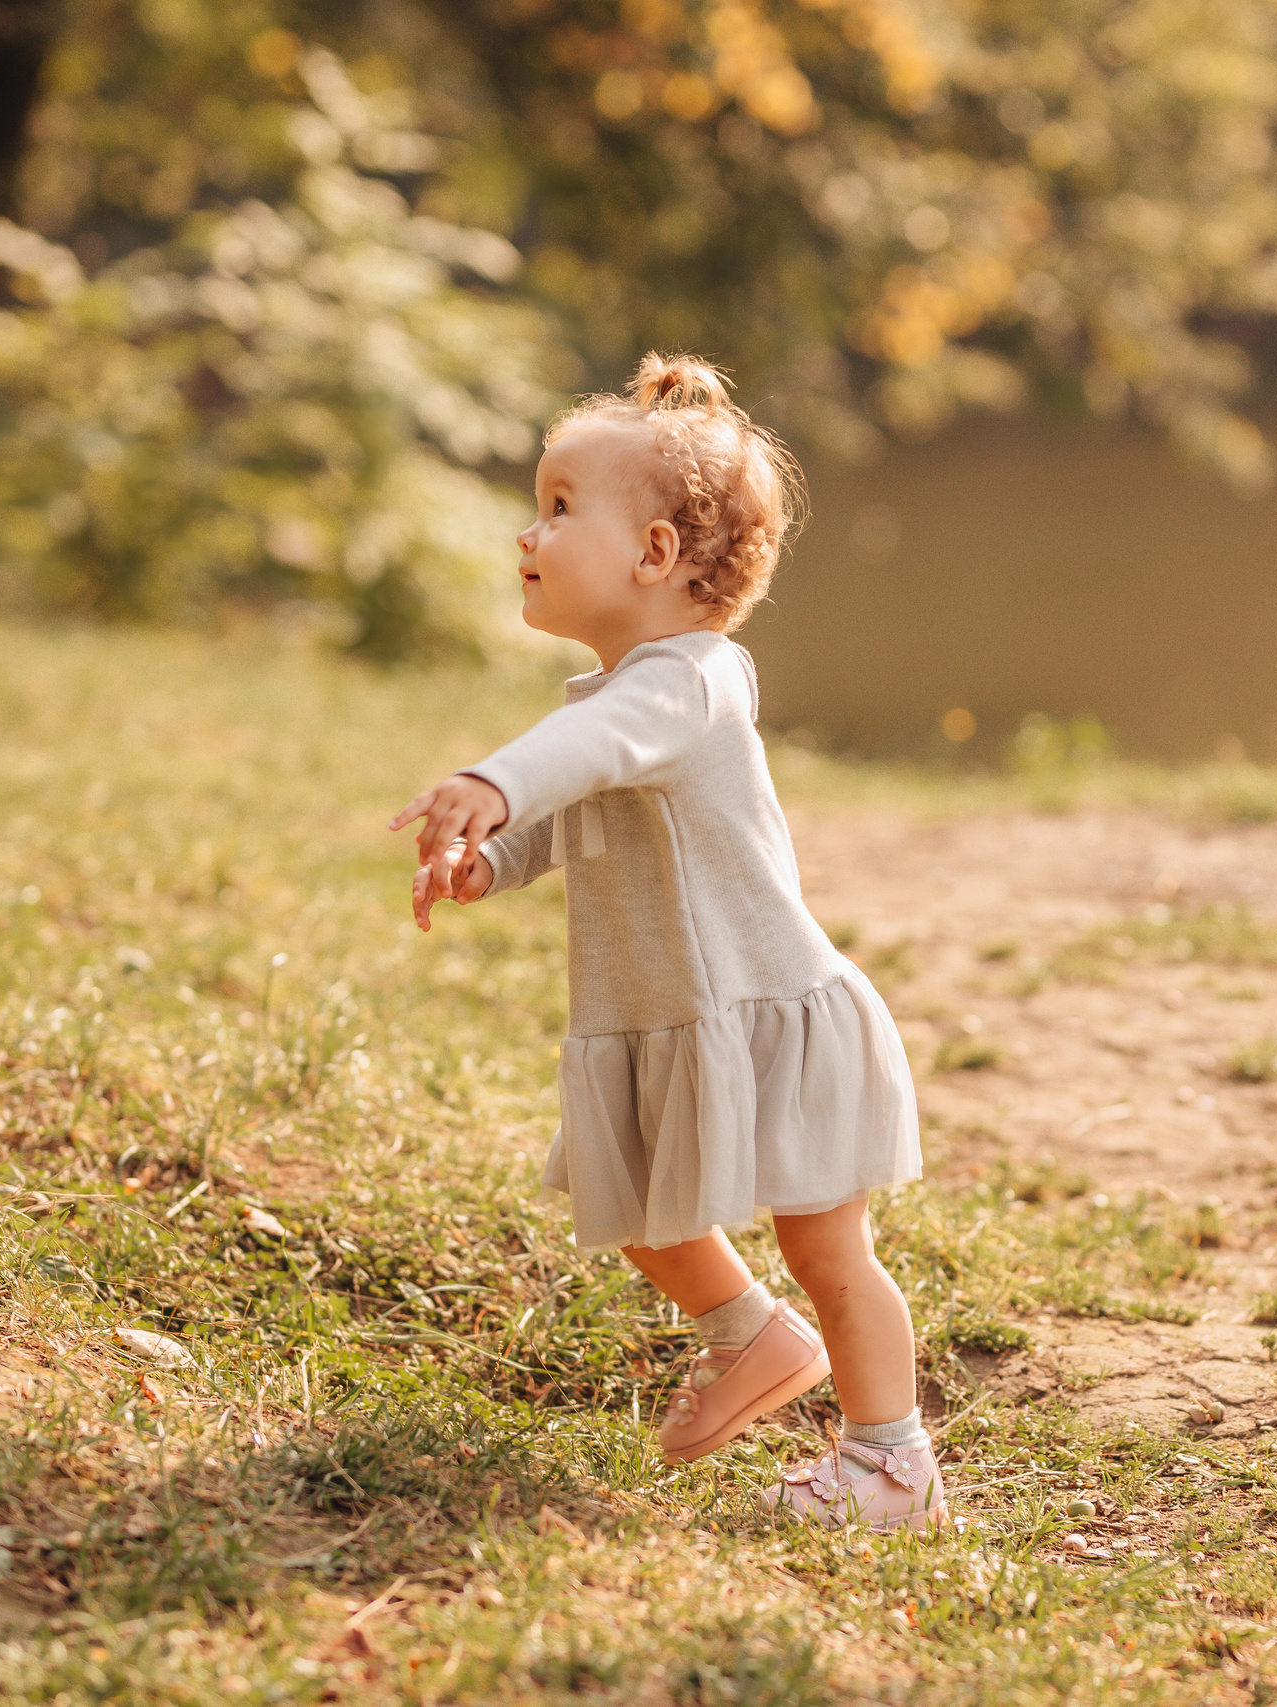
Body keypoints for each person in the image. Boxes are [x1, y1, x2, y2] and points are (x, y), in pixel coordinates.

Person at [388, 354, 943, 1532]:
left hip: (767, 1010)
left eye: (556, 506)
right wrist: (493, 855)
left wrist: (493, 778)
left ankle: (890, 1464)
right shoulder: (605, 705)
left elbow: (579, 763)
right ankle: (752, 1339)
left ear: (651, 555)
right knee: (633, 1200)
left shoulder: (692, 682)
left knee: (829, 1249)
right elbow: (580, 807)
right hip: (667, 1017)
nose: (526, 530)